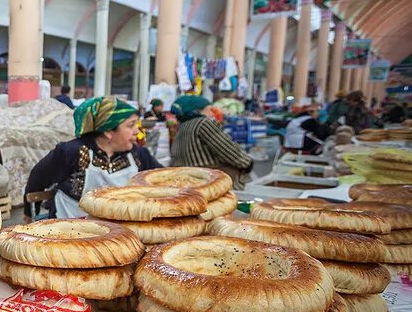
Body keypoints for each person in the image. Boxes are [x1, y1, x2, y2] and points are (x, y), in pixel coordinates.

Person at [24, 96, 160, 220]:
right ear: (108, 131)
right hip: (69, 228)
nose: (137, 131)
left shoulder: (139, 155)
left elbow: (163, 180)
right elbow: (37, 179)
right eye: (131, 125)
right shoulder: (71, 152)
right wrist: (29, 214)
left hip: (121, 228)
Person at [171, 94, 254, 189]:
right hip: (213, 183)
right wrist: (247, 163)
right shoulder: (203, 123)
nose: (212, 114)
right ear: (198, 110)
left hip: (191, 184)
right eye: (209, 110)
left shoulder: (182, 128)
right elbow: (227, 149)